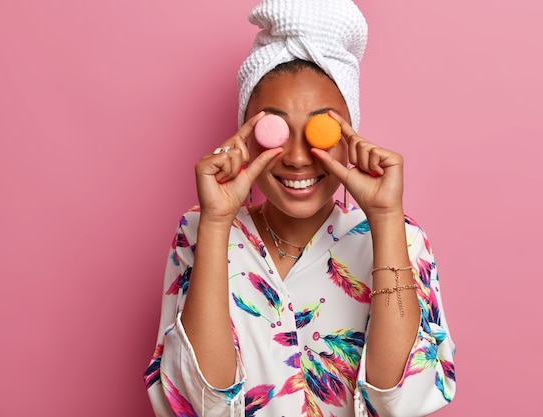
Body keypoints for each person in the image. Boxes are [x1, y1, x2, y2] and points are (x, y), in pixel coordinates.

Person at [143, 0, 456, 416]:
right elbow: (201, 402)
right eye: (274, 129)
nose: (296, 156)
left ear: (351, 136)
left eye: (320, 130)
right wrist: (217, 223)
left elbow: (400, 400)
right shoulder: (200, 231)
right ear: (244, 138)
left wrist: (383, 221)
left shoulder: (403, 238)